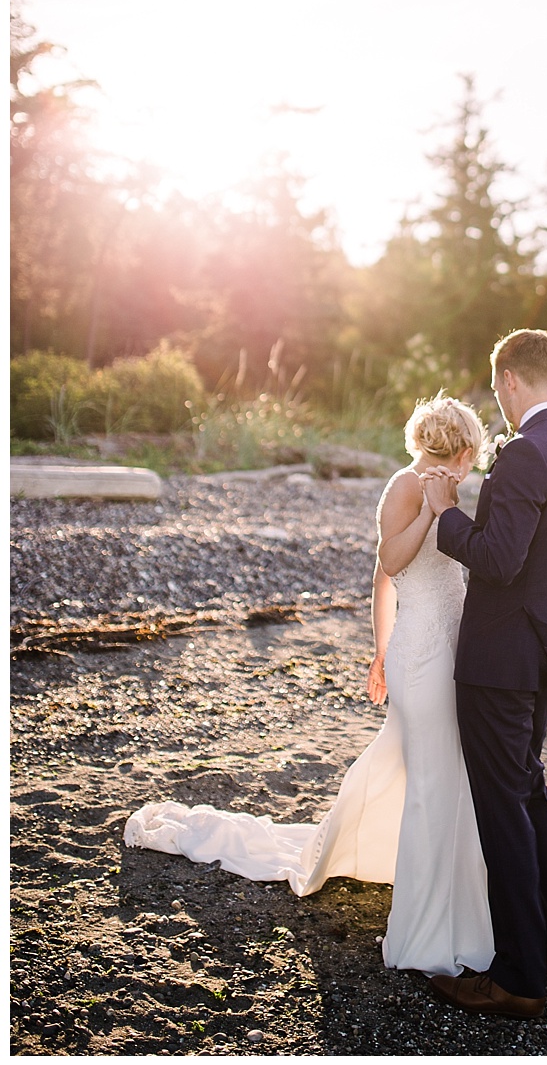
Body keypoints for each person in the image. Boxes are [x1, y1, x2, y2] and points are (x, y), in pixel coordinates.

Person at [123, 394, 494, 978]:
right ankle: (425, 927)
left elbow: (400, 580)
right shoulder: (405, 486)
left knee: (434, 770)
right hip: (422, 656)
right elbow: (389, 564)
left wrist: (379, 648)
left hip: (446, 648)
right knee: (433, 778)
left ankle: (432, 884)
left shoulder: (449, 491)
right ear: (466, 449)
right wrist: (431, 516)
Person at [422, 328, 547, 1020]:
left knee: (504, 811)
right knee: (530, 794)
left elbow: (498, 560)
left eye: (498, 387)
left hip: (502, 658)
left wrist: (447, 513)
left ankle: (521, 977)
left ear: (509, 380)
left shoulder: (528, 452)